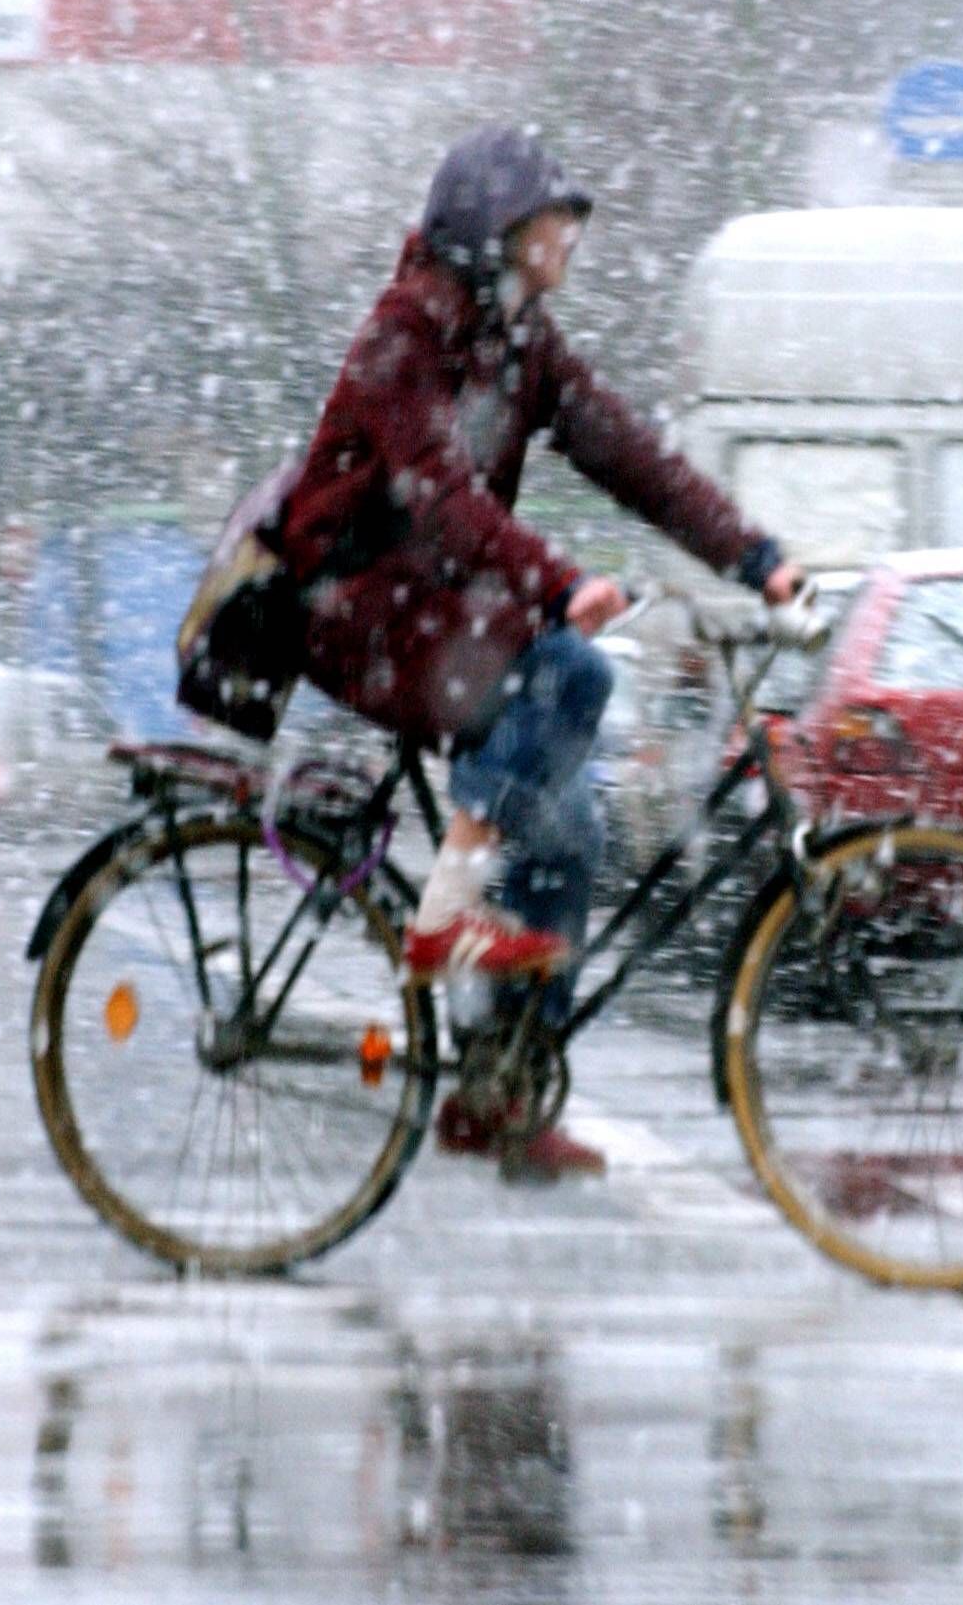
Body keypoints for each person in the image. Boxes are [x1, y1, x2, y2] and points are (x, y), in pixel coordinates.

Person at [274, 126, 801, 1180]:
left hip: (438, 609)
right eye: (553, 221)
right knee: (573, 669)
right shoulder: (405, 333)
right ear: (496, 233)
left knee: (573, 837)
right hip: (354, 605)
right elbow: (435, 490)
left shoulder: (520, 342)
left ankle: (497, 1094)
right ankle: (442, 914)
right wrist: (556, 583)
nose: (568, 240)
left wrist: (750, 556)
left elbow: (628, 456)